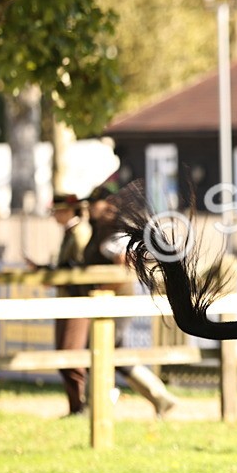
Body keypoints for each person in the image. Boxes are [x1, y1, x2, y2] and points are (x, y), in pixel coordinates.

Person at [84, 177, 180, 418]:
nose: (89, 208)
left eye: (93, 203)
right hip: (108, 297)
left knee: (98, 347)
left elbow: (124, 269)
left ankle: (96, 405)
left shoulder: (116, 230)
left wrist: (102, 287)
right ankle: (160, 397)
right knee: (117, 353)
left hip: (116, 296)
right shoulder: (100, 229)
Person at [30, 193, 93, 416]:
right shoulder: (72, 233)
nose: (55, 215)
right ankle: (76, 406)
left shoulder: (79, 233)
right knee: (65, 354)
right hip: (68, 300)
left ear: (68, 211)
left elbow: (77, 268)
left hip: (77, 301)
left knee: (70, 354)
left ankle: (81, 406)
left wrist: (52, 274)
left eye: (58, 211)